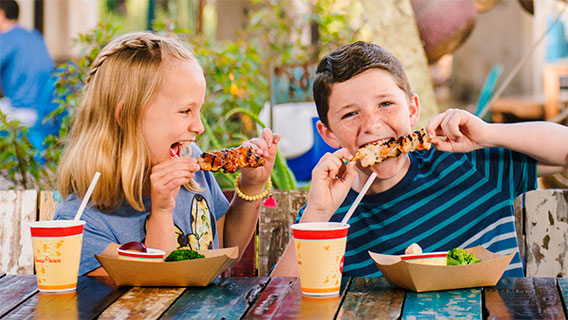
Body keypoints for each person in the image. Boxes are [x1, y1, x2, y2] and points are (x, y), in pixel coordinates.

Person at [271, 41, 568, 278]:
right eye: (350, 114)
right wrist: (318, 214)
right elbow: (276, 304)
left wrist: (489, 135)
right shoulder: (328, 221)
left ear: (412, 110)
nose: (372, 125)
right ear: (328, 134)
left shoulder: (467, 163)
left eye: (386, 104)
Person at [53, 32, 280, 276]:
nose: (199, 127)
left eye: (199, 110)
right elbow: (154, 298)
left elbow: (225, 246)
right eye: (185, 111)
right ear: (126, 116)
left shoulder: (193, 173)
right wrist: (161, 212)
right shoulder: (83, 224)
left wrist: (252, 184)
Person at [0, 0, 54, 129]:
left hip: (20, 110)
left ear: (1, 14)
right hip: (45, 111)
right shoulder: (35, 35)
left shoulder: (6, 38)